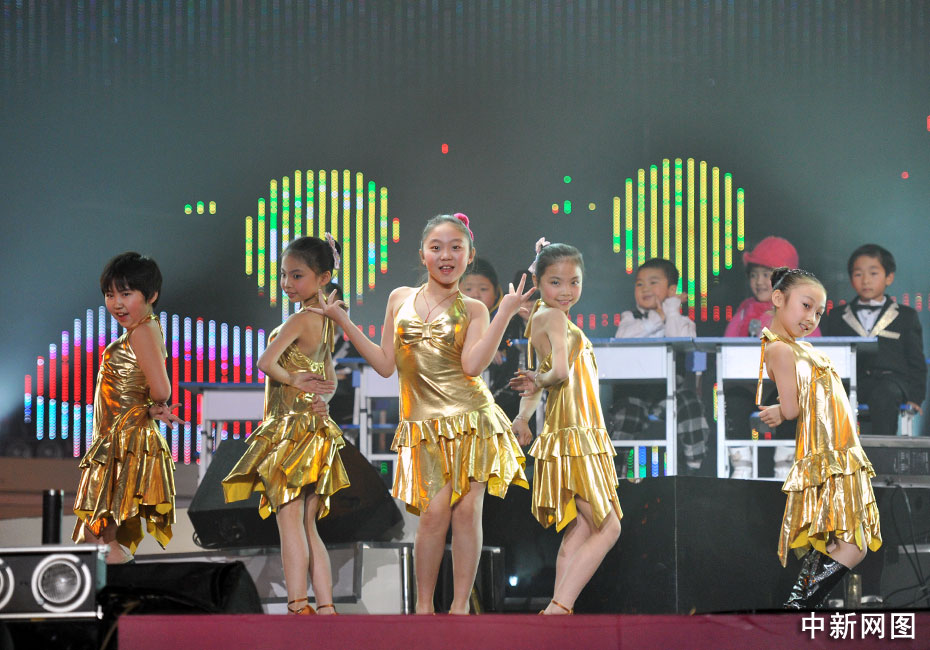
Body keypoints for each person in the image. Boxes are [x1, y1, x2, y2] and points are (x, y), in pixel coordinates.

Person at [310, 213, 532, 614]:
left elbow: (473, 366)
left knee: (467, 513)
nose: (446, 255)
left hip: (471, 420)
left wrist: (504, 313)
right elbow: (384, 364)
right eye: (437, 247)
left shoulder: (475, 309)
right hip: (423, 426)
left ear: (469, 256)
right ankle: (424, 609)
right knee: (432, 516)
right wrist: (344, 321)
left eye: (456, 248)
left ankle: (460, 608)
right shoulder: (399, 299)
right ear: (423, 254)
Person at [222, 235, 349, 615]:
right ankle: (325, 606)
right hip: (313, 428)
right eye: (283, 275)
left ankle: (297, 604)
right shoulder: (325, 322)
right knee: (309, 524)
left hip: (290, 431)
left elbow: (265, 362)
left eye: (296, 275)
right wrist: (322, 401)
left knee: (289, 519)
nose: (287, 283)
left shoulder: (300, 319)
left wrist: (293, 380)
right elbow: (330, 377)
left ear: (323, 277)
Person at [756, 267, 881, 609]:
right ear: (779, 298)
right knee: (852, 545)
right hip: (828, 453)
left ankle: (796, 609)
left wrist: (783, 409)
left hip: (841, 451)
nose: (811, 317)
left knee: (849, 544)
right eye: (806, 306)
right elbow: (792, 407)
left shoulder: (802, 348)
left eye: (818, 312)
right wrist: (781, 410)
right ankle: (797, 608)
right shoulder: (780, 349)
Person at [510, 239, 622, 615]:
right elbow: (555, 372)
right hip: (576, 432)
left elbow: (536, 377)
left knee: (581, 529)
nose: (566, 291)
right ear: (539, 282)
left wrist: (523, 417)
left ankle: (557, 617)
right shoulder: (555, 319)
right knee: (608, 528)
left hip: (571, 431)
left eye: (574, 282)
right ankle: (559, 609)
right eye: (555, 282)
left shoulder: (541, 320)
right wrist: (538, 384)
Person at [73, 252, 183, 564]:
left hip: (123, 443)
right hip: (118, 440)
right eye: (110, 295)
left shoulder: (143, 331)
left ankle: (119, 587)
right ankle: (119, 585)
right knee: (99, 536)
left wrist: (153, 404)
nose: (117, 304)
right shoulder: (141, 330)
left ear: (151, 295)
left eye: (126, 294)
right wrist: (148, 409)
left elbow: (162, 389)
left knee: (97, 537)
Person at [725, 236, 817, 478]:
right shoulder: (745, 309)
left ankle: (785, 463)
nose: (759, 282)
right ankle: (741, 463)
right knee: (732, 401)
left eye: (766, 275)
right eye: (754, 275)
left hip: (784, 384)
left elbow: (814, 348)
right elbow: (727, 347)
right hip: (749, 384)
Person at [611, 258, 711, 474]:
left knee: (691, 404)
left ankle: (693, 469)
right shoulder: (630, 318)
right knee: (626, 415)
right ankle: (616, 474)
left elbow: (679, 340)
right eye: (639, 284)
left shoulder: (682, 322)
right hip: (634, 393)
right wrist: (657, 317)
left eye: (653, 282)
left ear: (671, 290)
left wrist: (671, 312)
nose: (645, 288)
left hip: (669, 394)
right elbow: (622, 340)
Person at [823, 244, 926, 435]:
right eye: (858, 274)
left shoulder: (906, 316)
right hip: (852, 382)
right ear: (851, 279)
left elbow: (916, 361)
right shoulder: (837, 316)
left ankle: (881, 452)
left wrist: (916, 397)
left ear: (889, 277)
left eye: (873, 273)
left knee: (884, 395)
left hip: (892, 381)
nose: (866, 280)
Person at [460, 257, 526, 420]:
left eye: (483, 289)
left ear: (497, 292)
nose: (475, 294)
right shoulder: (447, 321)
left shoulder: (510, 322)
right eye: (468, 289)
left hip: (501, 405)